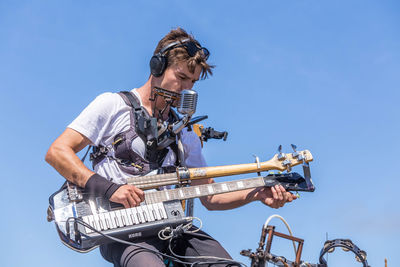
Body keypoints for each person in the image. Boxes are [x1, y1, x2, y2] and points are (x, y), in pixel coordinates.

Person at [45, 27, 296, 267]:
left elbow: (209, 196)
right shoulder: (112, 105)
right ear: (157, 66)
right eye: (181, 77)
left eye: (193, 82)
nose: (187, 88)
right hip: (123, 232)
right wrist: (110, 189)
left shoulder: (185, 132)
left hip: (171, 226)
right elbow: (58, 152)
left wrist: (257, 193)